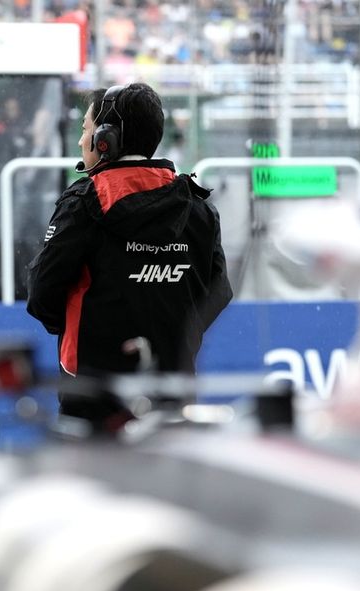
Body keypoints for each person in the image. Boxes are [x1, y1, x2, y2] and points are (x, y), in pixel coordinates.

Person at [26, 82, 231, 428]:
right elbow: (218, 292)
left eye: (85, 129)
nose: (81, 141)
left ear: (105, 139)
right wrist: (173, 335)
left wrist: (91, 333)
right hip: (173, 386)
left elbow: (42, 293)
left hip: (91, 392)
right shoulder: (198, 208)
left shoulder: (83, 204)